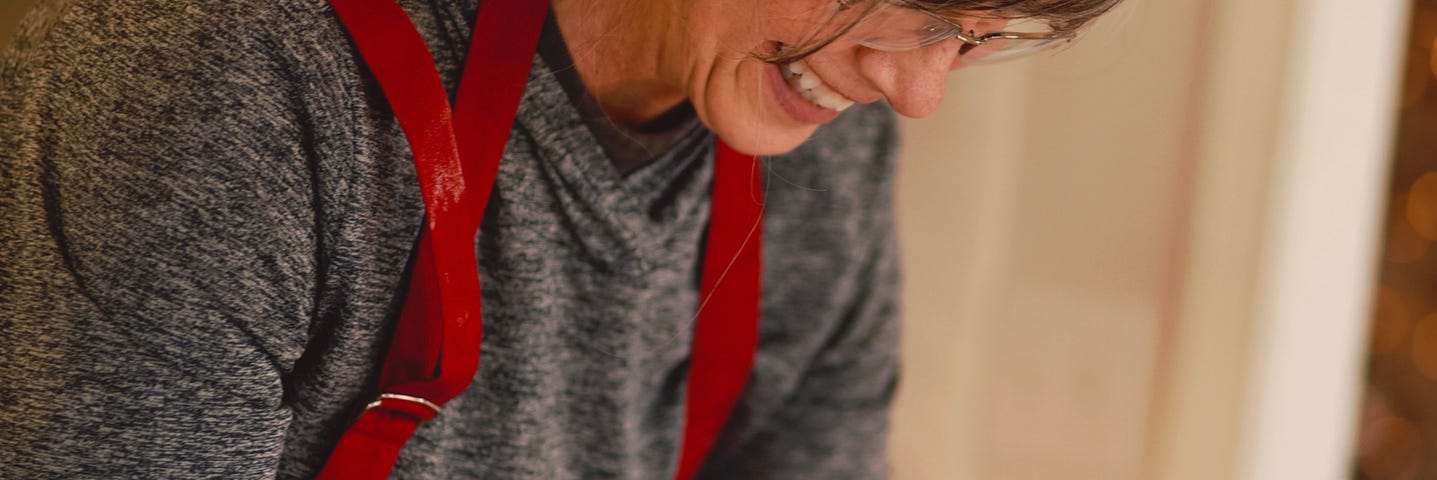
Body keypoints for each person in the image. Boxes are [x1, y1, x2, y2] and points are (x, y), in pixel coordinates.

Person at [0, 0, 1120, 478]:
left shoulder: (820, 140)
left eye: (976, 34)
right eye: (904, 3)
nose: (917, 89)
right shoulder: (229, 72)